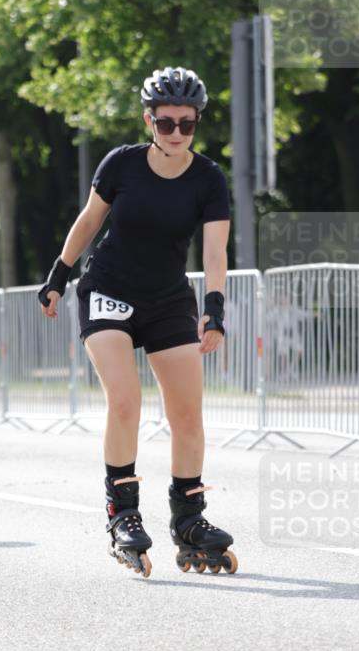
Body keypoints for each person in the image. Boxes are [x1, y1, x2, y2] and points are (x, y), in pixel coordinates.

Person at [38, 66, 238, 579]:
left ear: (197, 122)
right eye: (166, 123)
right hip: (108, 291)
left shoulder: (209, 179)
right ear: (149, 120)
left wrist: (214, 307)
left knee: (188, 416)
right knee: (125, 400)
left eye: (187, 124)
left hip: (169, 298)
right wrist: (59, 274)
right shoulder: (121, 164)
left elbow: (215, 251)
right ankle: (123, 514)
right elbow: (89, 220)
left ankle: (189, 522)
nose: (176, 133)